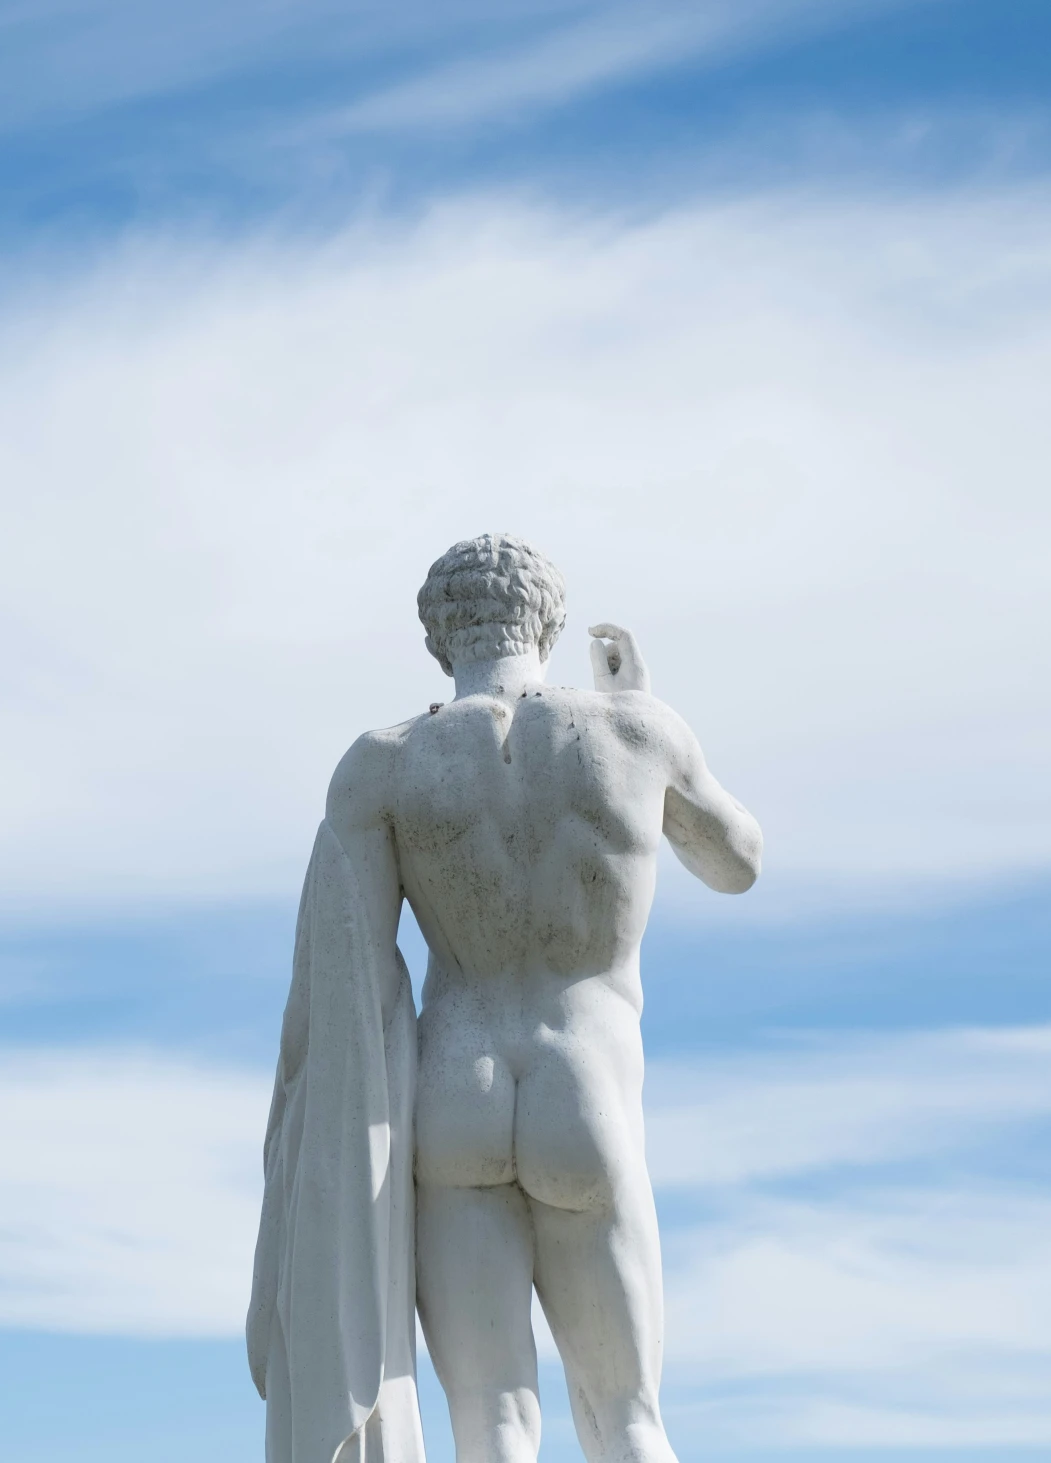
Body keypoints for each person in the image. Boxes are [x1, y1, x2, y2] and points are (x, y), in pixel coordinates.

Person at [251, 533, 760, 1463]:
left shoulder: (384, 762)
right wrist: (637, 703)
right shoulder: (636, 731)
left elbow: (344, 976)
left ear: (439, 638)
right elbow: (739, 862)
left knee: (491, 1425)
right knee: (630, 1419)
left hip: (457, 1095)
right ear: (552, 624)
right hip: (586, 1087)